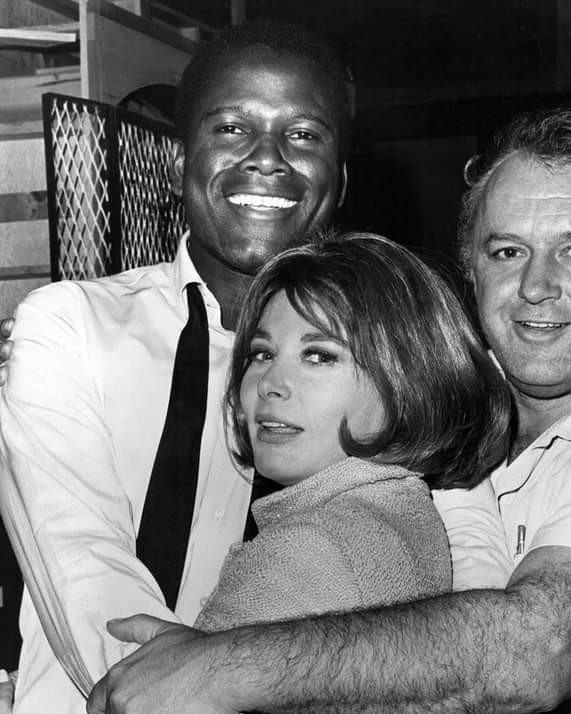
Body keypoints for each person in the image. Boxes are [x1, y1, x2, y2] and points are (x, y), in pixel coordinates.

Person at [88, 107, 571, 714]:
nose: (536, 285)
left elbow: (538, 649)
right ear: (470, 266)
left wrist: (217, 668)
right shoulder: (443, 400)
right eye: (507, 252)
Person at [0, 18, 352, 714]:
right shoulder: (68, 329)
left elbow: (454, 557)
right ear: (174, 162)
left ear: (340, 180)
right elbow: (82, 570)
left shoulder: (387, 363)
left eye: (304, 134)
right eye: (230, 128)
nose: (267, 157)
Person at [193, 232, 510, 631]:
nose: (271, 381)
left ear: (406, 382)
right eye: (263, 353)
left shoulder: (307, 550)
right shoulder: (402, 515)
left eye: (319, 356)